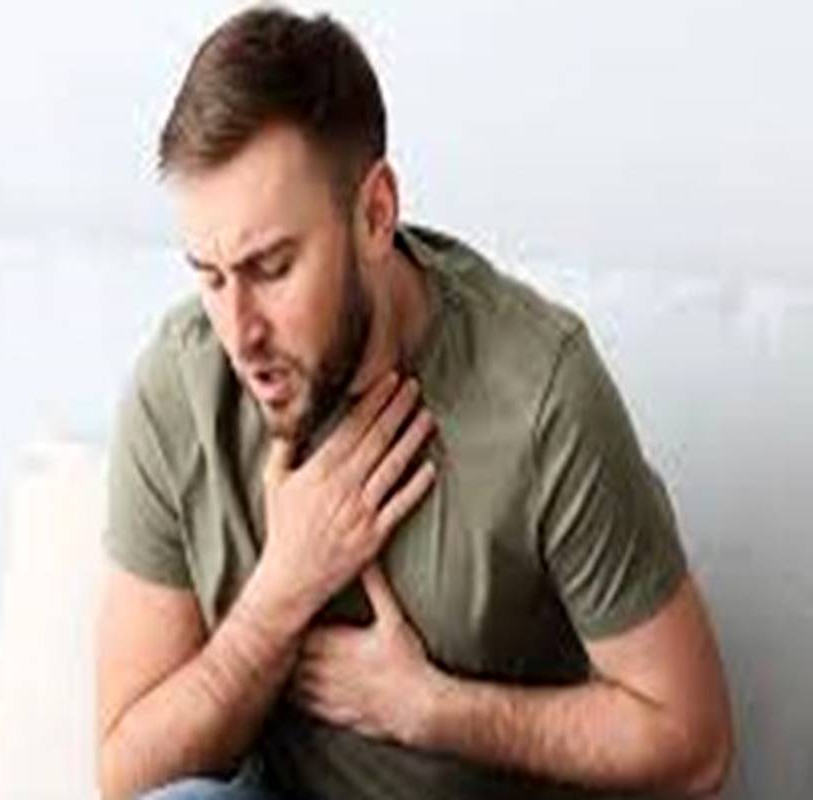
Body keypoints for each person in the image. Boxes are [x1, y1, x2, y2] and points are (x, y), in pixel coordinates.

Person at [97, 7, 733, 799]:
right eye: (210, 276)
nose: (239, 332)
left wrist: (433, 709)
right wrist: (280, 595)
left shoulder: (539, 393)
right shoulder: (180, 387)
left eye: (272, 268)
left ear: (374, 213)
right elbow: (126, 778)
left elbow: (694, 742)